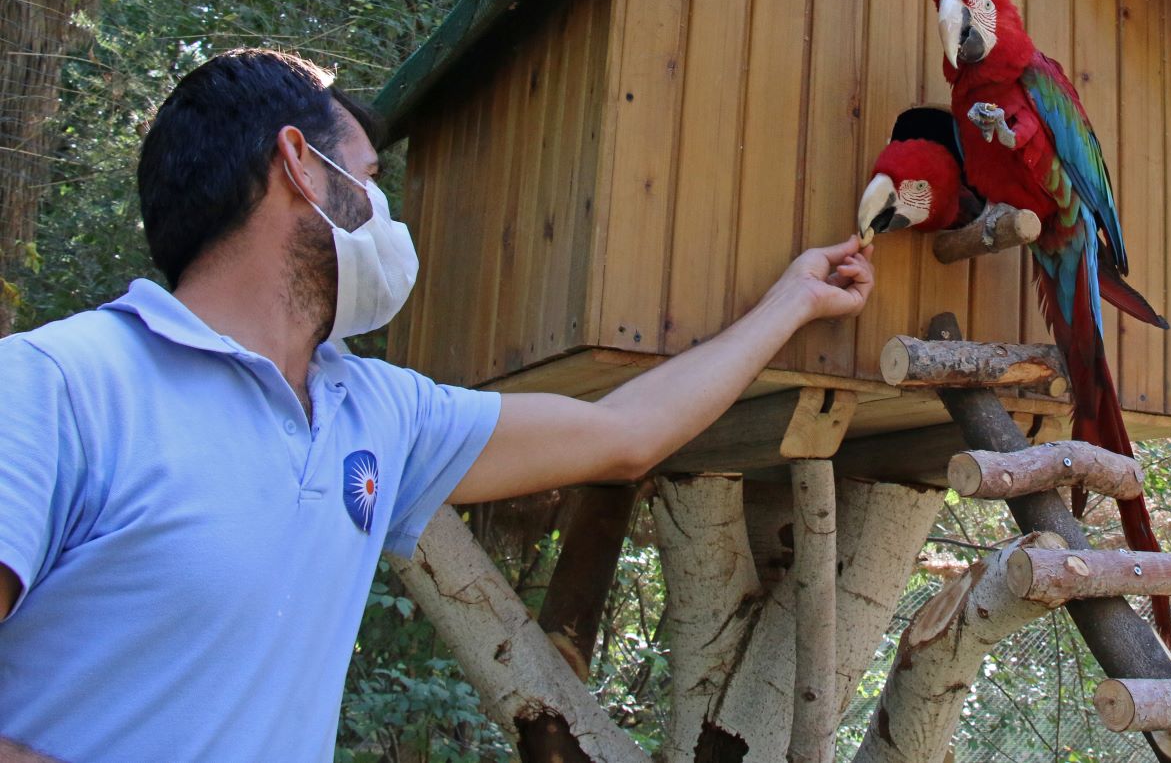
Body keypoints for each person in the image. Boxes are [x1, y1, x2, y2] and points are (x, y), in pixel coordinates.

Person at [0, 48, 874, 763]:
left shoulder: (376, 412)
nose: (386, 216)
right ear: (302, 165)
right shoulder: (56, 386)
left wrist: (790, 302)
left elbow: (625, 434)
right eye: (372, 181)